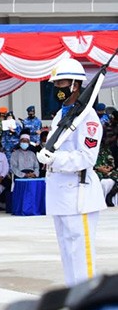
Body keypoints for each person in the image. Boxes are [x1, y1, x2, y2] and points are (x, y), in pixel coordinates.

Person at [38, 58, 106, 286]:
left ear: (75, 85)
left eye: (61, 84)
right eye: (55, 84)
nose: (57, 88)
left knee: (82, 256)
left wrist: (56, 159)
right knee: (68, 255)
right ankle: (74, 305)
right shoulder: (61, 114)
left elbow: (87, 157)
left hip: (79, 195)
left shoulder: (88, 118)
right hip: (60, 194)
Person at [94, 137, 118, 207]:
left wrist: (109, 167)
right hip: (95, 171)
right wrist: (98, 168)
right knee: (96, 178)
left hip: (106, 171)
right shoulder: (90, 148)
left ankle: (111, 195)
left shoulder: (105, 148)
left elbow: (111, 161)